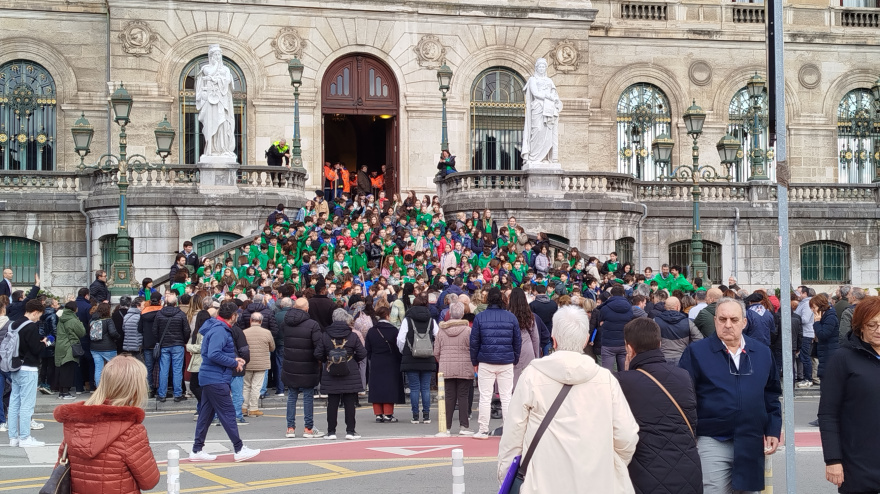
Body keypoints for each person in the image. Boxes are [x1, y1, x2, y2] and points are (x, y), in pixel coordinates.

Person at [498, 305, 639, 492]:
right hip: (595, 482)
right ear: (585, 340)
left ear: (554, 341)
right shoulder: (605, 379)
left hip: (541, 482)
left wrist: (505, 475)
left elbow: (513, 437)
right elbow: (626, 436)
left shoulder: (532, 376)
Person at [679, 297, 782, 493]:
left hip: (751, 439)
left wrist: (773, 429)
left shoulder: (761, 352)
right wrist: (689, 434)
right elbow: (684, 398)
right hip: (712, 438)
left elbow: (771, 394)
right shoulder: (696, 353)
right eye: (722, 319)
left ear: (744, 322)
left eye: (734, 320)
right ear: (715, 320)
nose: (727, 325)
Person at [617, 317, 702, 494]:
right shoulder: (683, 375)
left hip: (644, 472)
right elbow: (692, 422)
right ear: (659, 343)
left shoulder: (621, 381)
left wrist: (627, 373)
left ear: (629, 348)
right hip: (687, 468)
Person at [54, 354, 160, 493]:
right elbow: (149, 481)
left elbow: (60, 468)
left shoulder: (75, 424)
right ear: (135, 389)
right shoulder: (131, 431)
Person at [818, 296, 880, 494]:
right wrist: (833, 460)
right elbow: (828, 414)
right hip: (858, 464)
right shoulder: (843, 358)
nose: (879, 330)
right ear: (860, 326)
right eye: (872, 325)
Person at [190, 302, 260, 462]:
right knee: (228, 413)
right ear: (233, 316)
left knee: (206, 415)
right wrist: (234, 362)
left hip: (210, 377)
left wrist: (232, 359)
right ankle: (239, 448)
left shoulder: (216, 328)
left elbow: (210, 353)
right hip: (216, 378)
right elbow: (213, 354)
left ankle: (197, 449)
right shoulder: (220, 331)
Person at [470, 287, 521, 439]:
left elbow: (474, 342)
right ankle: (509, 429)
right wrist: (515, 358)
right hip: (506, 360)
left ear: (487, 299)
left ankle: (483, 429)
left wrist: (474, 361)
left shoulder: (480, 317)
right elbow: (517, 341)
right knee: (506, 396)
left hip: (486, 360)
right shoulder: (511, 317)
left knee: (485, 396)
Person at [315, 309, 367, 440]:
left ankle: (331, 432)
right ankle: (350, 431)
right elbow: (362, 353)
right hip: (350, 371)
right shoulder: (353, 335)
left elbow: (318, 354)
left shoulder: (325, 335)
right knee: (350, 403)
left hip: (331, 370)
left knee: (332, 403)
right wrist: (352, 360)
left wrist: (328, 359)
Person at [6, 299, 51, 447]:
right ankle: (25, 438)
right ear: (35, 312)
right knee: (27, 405)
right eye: (39, 315)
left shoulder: (13, 324)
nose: (38, 318)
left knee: (14, 403)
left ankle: (13, 438)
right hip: (29, 368)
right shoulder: (30, 327)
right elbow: (35, 349)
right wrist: (44, 342)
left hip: (15, 366)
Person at [281, 298, 325, 438]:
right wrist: (320, 360)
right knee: (307, 397)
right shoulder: (312, 324)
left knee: (292, 397)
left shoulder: (286, 323)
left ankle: (290, 428)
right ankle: (308, 428)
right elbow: (318, 345)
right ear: (307, 308)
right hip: (308, 364)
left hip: (290, 363)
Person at [396, 294, 440, 424]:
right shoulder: (431, 320)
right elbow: (438, 336)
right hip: (427, 356)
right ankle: (426, 415)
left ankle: (415, 415)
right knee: (425, 387)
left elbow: (400, 339)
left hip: (411, 356)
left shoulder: (407, 320)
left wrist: (404, 352)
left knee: (414, 388)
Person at [433, 302, 474, 435]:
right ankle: (464, 426)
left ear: (449, 313)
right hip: (465, 366)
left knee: (449, 396)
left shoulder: (441, 330)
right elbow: (473, 349)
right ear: (462, 314)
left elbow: (436, 351)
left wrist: (443, 361)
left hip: (446, 367)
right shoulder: (468, 330)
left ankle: (446, 427)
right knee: (463, 396)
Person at [365, 305, 405, 424]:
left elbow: (367, 349)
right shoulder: (393, 330)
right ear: (387, 316)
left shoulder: (372, 331)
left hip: (376, 361)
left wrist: (373, 357)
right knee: (389, 387)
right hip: (391, 361)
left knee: (376, 387)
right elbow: (399, 347)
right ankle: (388, 414)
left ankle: (378, 414)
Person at [152, 293, 192, 402]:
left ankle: (162, 394)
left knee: (163, 369)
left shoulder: (159, 314)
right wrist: (183, 340)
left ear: (165, 302)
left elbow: (155, 330)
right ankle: (178, 394)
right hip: (178, 344)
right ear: (176, 303)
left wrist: (159, 341)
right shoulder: (181, 314)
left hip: (164, 344)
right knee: (177, 370)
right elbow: (187, 330)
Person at [242, 312, 274, 417]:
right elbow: (272, 347)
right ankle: (253, 408)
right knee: (256, 386)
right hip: (261, 363)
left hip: (247, 362)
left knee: (246, 385)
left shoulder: (244, 332)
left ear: (251, 320)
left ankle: (243, 407)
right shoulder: (267, 332)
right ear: (261, 321)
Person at [654, 296, 703, 366]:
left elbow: (649, 341)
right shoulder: (687, 322)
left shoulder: (655, 321)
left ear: (665, 307)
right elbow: (699, 340)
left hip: (662, 359)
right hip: (682, 359)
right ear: (677, 307)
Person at [597, 284, 634, 371]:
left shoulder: (605, 308)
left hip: (608, 343)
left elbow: (600, 321)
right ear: (623, 294)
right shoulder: (629, 307)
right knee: (624, 371)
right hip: (624, 342)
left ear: (611, 295)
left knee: (607, 373)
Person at [508, 287, 541, 386]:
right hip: (527, 347)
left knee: (512, 378)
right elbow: (535, 337)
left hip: (511, 348)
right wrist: (536, 355)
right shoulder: (529, 315)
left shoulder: (507, 315)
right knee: (527, 378)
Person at [55, 301, 85, 400]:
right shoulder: (72, 319)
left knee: (62, 369)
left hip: (61, 345)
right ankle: (66, 392)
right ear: (74, 309)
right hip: (69, 346)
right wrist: (79, 321)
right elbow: (82, 332)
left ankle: (61, 392)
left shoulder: (62, 318)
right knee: (68, 370)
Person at [88, 302, 121, 389]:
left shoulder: (92, 320)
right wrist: (118, 337)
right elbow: (113, 332)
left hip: (94, 348)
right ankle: (113, 388)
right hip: (108, 348)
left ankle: (99, 388)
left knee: (98, 368)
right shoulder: (108, 320)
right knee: (113, 368)